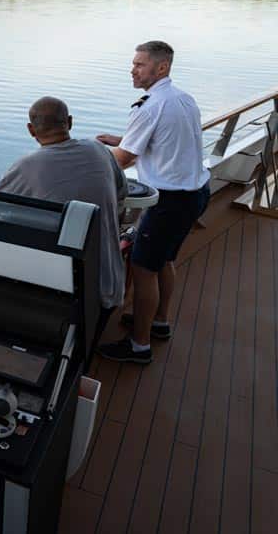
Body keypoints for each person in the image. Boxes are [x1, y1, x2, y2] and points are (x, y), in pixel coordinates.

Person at [95, 41, 210, 364]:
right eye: (133, 64)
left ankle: (139, 346)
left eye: (140, 65)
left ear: (161, 68)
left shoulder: (149, 106)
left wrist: (90, 162)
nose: (132, 70)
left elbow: (124, 159)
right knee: (164, 260)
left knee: (144, 268)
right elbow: (166, 140)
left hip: (169, 202)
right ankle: (159, 322)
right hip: (195, 193)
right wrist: (122, 139)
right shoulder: (182, 99)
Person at [0, 96, 127, 351]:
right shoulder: (99, 150)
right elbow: (122, 192)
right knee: (83, 351)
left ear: (31, 130)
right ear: (69, 122)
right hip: (109, 283)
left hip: (64, 291)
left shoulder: (26, 168)